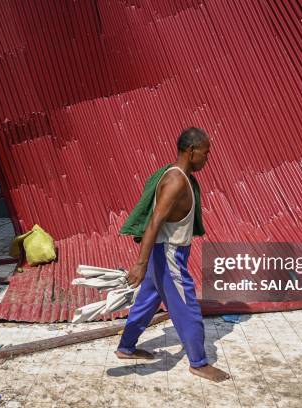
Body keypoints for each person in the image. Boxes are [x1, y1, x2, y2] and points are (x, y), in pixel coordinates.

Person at [116, 127, 230, 382]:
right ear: (191, 151)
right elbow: (155, 221)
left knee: (146, 302)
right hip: (169, 254)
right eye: (205, 153)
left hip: (163, 252)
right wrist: (140, 263)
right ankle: (199, 363)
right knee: (187, 306)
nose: (207, 158)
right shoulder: (177, 181)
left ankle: (126, 347)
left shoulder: (177, 175)